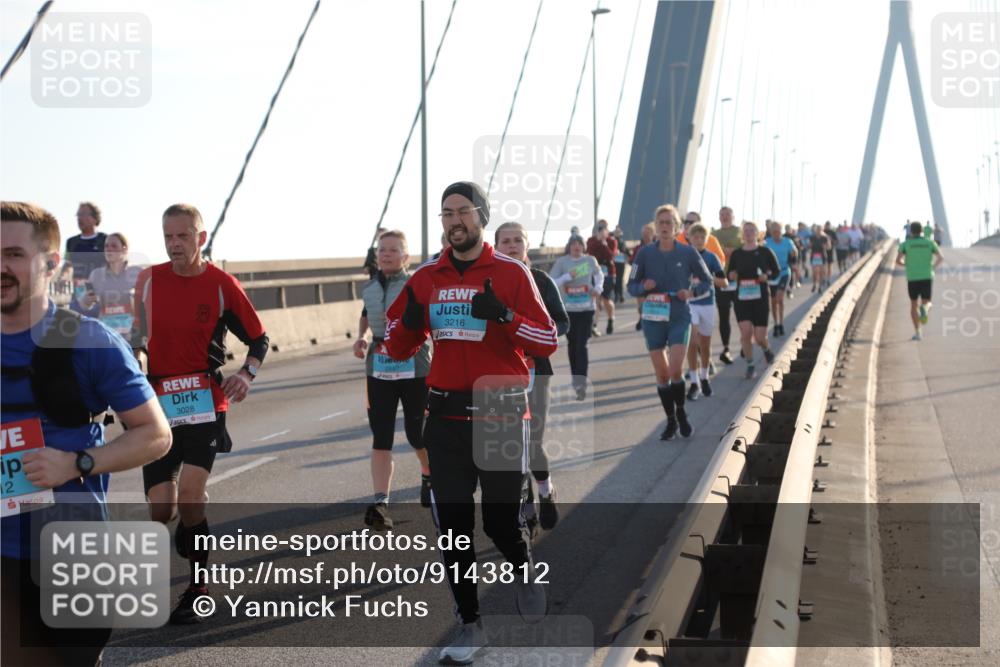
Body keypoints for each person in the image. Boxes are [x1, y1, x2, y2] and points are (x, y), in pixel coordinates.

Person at [385, 181, 557, 663]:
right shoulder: (425, 278)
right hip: (445, 416)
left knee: (501, 524)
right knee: (454, 529)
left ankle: (523, 567)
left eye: (463, 211)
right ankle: (469, 624)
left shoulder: (510, 272)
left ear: (482, 215)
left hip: (501, 412)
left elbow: (546, 340)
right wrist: (408, 322)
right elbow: (395, 344)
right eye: (446, 213)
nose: (454, 220)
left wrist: (503, 315)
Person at [1, 201, 170, 667]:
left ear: (52, 263)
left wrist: (77, 463)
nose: (1, 267)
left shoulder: (88, 340)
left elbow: (155, 434)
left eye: (14, 254)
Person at [133, 203, 270, 625]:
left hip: (204, 402)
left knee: (191, 497)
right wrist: (136, 359)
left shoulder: (221, 285)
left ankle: (199, 587)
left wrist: (245, 374)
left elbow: (259, 339)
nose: (175, 245)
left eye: (183, 236)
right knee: (161, 510)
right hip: (156, 407)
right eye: (168, 237)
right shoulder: (147, 281)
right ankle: (186, 529)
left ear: (201, 238)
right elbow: (135, 336)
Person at [353, 230, 432, 530]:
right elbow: (366, 313)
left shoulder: (416, 285)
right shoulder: (371, 286)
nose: (385, 254)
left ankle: (428, 471)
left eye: (393, 250)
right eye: (382, 250)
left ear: (405, 256)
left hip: (414, 368)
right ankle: (380, 503)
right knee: (381, 435)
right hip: (379, 369)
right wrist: (362, 337)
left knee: (417, 433)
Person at [495, 222, 569, 533]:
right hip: (499, 373)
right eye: (505, 241)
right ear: (496, 246)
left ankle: (546, 492)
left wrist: (530, 333)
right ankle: (525, 504)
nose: (512, 246)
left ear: (527, 246)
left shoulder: (540, 280)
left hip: (536, 371)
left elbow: (561, 323)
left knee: (532, 440)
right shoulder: (489, 282)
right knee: (509, 443)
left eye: (517, 241)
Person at [628, 204, 712, 440]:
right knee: (662, 375)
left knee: (676, 370)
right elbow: (631, 285)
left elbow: (707, 280)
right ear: (655, 226)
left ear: (676, 228)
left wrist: (692, 293)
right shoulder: (644, 254)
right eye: (660, 223)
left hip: (678, 316)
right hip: (653, 318)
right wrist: (642, 288)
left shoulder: (687, 253)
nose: (664, 227)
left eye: (669, 223)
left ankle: (682, 413)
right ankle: (671, 420)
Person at [551, 235, 603, 401]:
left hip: (587, 309)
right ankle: (576, 380)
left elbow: (599, 275)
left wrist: (598, 288)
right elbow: (552, 282)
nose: (576, 246)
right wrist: (567, 277)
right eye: (573, 244)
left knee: (582, 346)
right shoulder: (562, 262)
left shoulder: (589, 260)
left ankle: (581, 384)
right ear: (569, 247)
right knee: (573, 346)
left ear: (583, 246)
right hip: (568, 311)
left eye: (579, 244)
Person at [726, 221, 781, 379]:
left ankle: (766, 350)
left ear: (758, 234)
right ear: (742, 234)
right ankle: (750, 365)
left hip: (760, 298)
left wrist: (767, 276)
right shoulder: (737, 254)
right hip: (742, 298)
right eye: (746, 231)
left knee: (759, 337)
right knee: (745, 333)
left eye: (752, 230)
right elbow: (730, 273)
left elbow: (776, 271)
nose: (749, 233)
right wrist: (733, 275)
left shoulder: (765, 251)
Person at [683, 222, 728, 400]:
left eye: (702, 237)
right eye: (696, 237)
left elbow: (723, 282)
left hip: (707, 303)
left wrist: (710, 279)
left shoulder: (711, 258)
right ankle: (694, 382)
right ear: (689, 238)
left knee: (705, 344)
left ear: (706, 239)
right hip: (690, 305)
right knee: (692, 342)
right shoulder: (684, 256)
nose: (699, 240)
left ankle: (704, 377)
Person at [78, 232, 144, 343]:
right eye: (106, 246)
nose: (109, 249)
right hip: (107, 336)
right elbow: (84, 305)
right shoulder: (96, 275)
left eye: (114, 246)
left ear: (124, 249)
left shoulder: (137, 273)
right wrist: (87, 300)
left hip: (133, 336)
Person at [897, 220, 943, 340]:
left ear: (911, 231)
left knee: (913, 305)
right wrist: (932, 266)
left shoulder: (905, 244)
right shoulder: (929, 243)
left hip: (912, 277)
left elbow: (898, 261)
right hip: (927, 276)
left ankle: (918, 332)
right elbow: (940, 258)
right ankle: (925, 309)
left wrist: (906, 265)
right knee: (927, 302)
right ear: (922, 231)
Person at [711, 206, 741, 365]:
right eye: (721, 214)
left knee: (741, 314)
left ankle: (745, 343)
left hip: (738, 280)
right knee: (724, 316)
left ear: (733, 216)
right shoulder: (713, 234)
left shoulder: (740, 232)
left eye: (727, 214)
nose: (724, 217)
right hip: (720, 280)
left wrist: (733, 251)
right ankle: (726, 348)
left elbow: (747, 248)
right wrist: (721, 252)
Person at [764, 222, 797, 337]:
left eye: (778, 231)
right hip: (772, 274)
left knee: (779, 298)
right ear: (771, 232)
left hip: (784, 272)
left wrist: (793, 255)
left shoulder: (787, 241)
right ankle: (776, 324)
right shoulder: (767, 243)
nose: (776, 234)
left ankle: (781, 323)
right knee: (773, 301)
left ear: (781, 231)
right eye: (774, 232)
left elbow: (794, 252)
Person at [587, 219, 617, 335]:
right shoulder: (591, 240)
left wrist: (604, 244)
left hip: (608, 273)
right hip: (594, 273)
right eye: (600, 227)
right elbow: (588, 253)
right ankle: (594, 325)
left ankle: (610, 319)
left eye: (604, 227)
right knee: (596, 298)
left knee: (606, 300)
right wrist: (598, 241)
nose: (602, 230)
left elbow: (611, 256)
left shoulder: (611, 241)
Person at [629, 222, 656, 330]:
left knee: (651, 301)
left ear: (652, 234)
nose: (645, 236)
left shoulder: (658, 247)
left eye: (647, 233)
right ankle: (641, 318)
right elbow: (633, 263)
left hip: (653, 279)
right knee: (641, 304)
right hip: (640, 279)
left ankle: (650, 319)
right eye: (643, 234)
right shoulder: (638, 248)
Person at [808, 223, 830, 293]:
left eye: (820, 229)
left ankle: (820, 286)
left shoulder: (825, 238)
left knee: (821, 272)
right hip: (814, 256)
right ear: (815, 230)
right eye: (817, 229)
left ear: (822, 230)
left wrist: (825, 247)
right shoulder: (812, 237)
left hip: (822, 256)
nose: (818, 231)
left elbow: (829, 247)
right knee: (815, 272)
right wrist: (809, 245)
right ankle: (814, 284)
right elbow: (808, 246)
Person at [612, 225, 627, 303]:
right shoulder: (613, 241)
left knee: (619, 279)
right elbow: (624, 250)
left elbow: (625, 250)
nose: (618, 233)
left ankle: (620, 295)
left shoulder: (621, 241)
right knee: (617, 279)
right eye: (617, 232)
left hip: (621, 262)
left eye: (619, 232)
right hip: (615, 262)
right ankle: (618, 295)